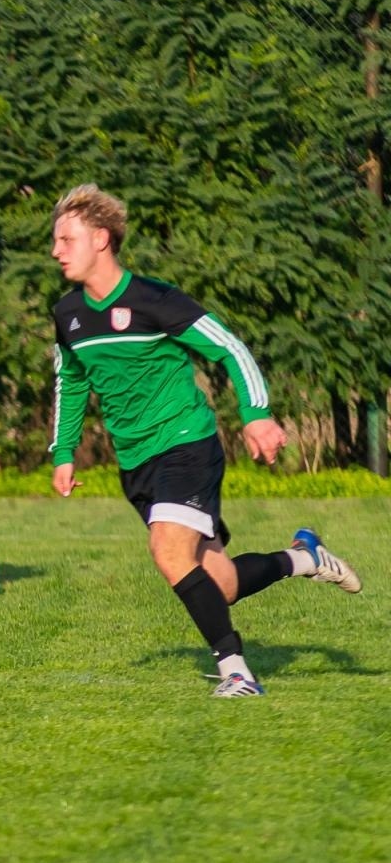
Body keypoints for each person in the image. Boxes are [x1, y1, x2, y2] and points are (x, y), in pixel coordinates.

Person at [49, 184, 361, 697]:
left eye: (67, 239)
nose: (57, 250)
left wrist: (256, 416)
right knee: (221, 584)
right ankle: (304, 557)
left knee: (168, 551)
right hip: (136, 463)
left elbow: (231, 349)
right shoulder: (68, 315)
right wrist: (63, 452)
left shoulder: (156, 300)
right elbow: (71, 380)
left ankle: (236, 671)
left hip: (186, 443)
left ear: (100, 239)